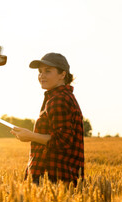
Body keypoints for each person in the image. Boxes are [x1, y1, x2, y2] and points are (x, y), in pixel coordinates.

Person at [11, 53, 84, 185]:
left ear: (63, 74)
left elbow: (63, 140)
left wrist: (31, 136)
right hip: (60, 175)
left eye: (48, 71)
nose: (41, 76)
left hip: (52, 176)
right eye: (40, 72)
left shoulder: (59, 99)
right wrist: (30, 134)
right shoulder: (62, 97)